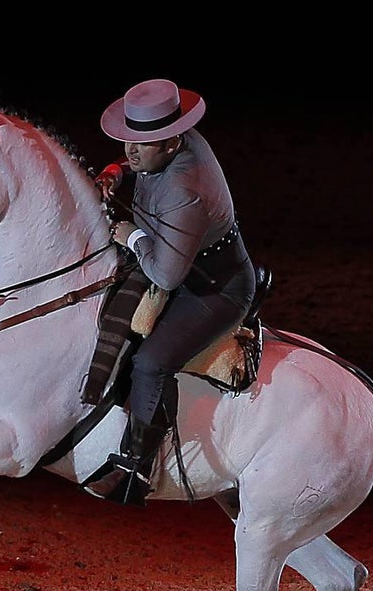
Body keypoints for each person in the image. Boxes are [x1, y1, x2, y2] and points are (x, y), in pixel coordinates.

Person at [81, 78, 257, 506]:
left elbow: (165, 275)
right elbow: (136, 161)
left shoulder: (184, 188)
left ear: (173, 140)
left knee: (150, 363)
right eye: (127, 140)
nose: (130, 150)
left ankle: (136, 468)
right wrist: (116, 171)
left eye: (141, 144)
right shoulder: (170, 144)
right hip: (179, 264)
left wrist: (132, 235)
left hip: (212, 291)